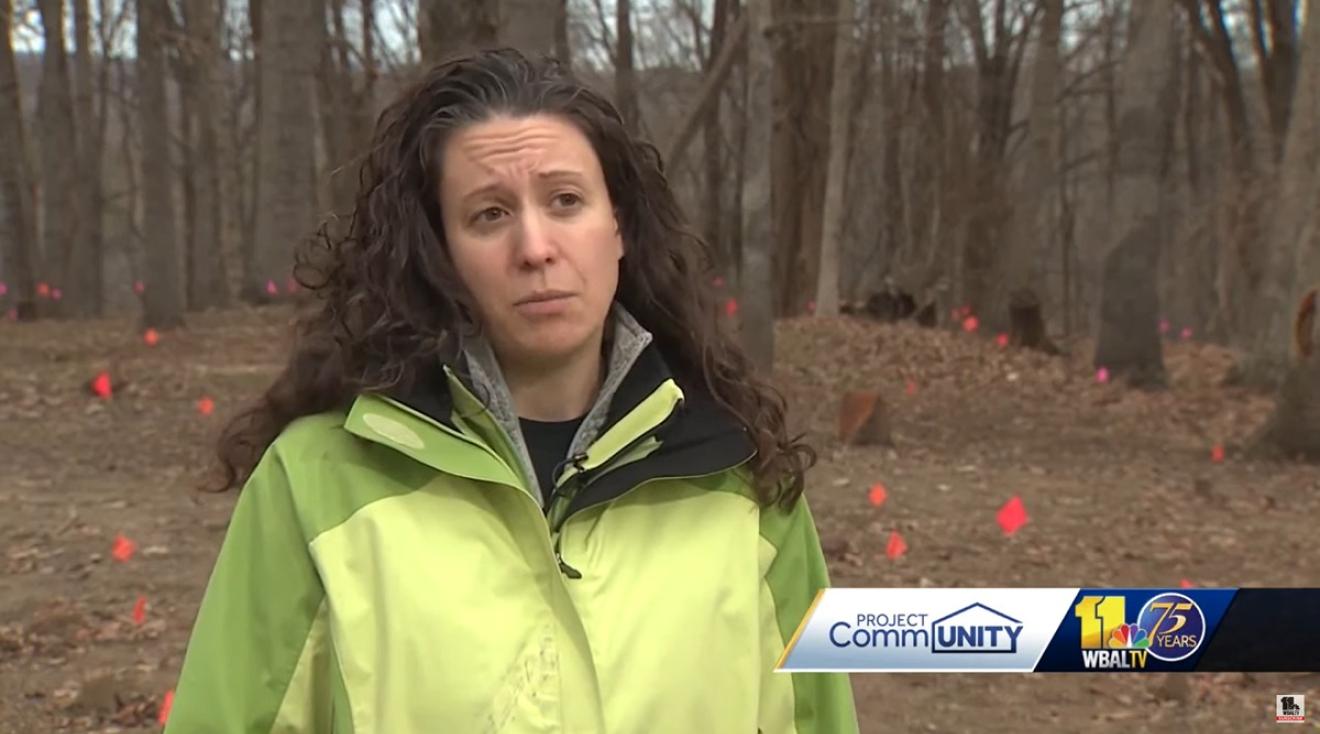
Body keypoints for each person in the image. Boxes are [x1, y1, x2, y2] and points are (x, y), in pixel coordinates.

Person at [164, 48, 859, 734]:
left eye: (565, 201)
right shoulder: (315, 484)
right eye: (490, 214)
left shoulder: (739, 477)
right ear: (440, 253)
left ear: (617, 227)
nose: (535, 247)